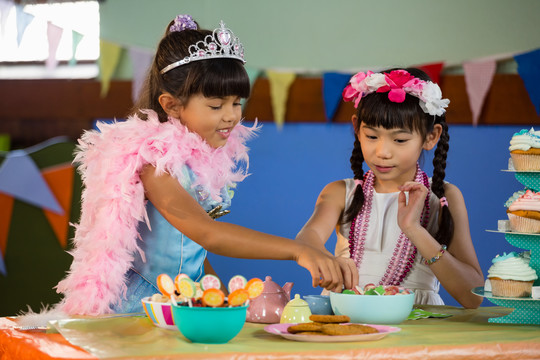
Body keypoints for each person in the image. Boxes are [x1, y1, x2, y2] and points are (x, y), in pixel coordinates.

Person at [51, 14, 356, 316]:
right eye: (216, 105)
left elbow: (193, 248)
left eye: (237, 102)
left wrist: (219, 294)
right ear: (171, 105)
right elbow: (207, 233)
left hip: (190, 298)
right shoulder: (154, 163)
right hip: (145, 306)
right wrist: (298, 249)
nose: (231, 116)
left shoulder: (201, 160)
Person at [296, 68, 484, 308]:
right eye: (372, 136)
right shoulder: (339, 193)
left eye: (400, 140)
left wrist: (415, 230)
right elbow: (306, 239)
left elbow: (473, 296)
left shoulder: (443, 197)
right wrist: (324, 260)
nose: (382, 152)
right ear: (357, 128)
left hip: (417, 328)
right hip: (346, 317)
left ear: (430, 137)